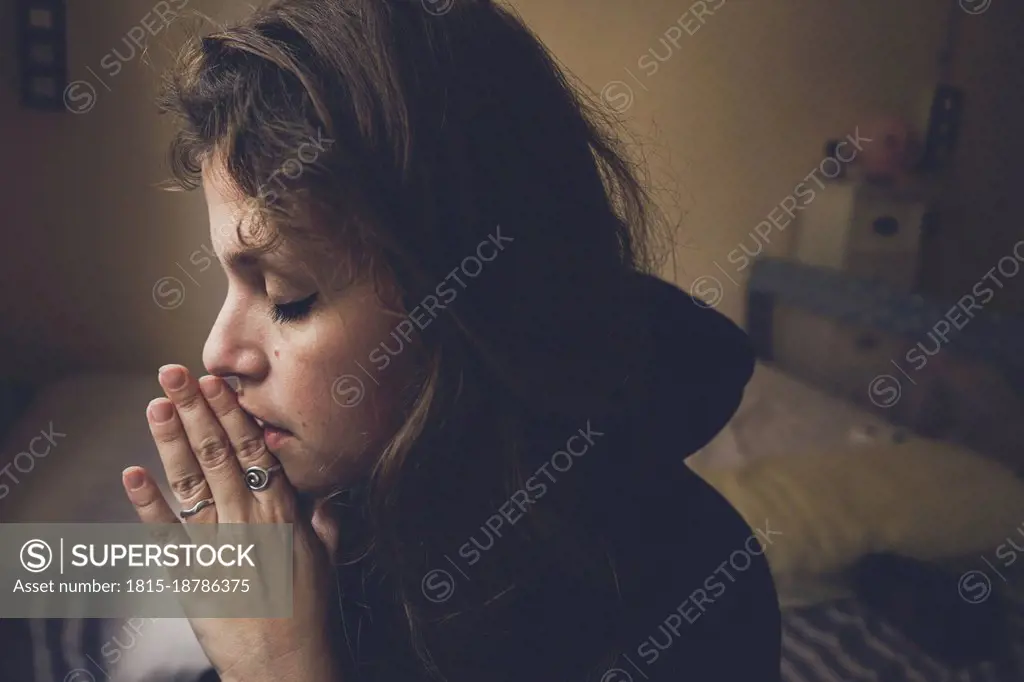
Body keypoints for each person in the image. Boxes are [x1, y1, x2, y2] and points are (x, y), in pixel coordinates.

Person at [120, 0, 781, 680]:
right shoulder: (342, 517)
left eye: (290, 297)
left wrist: (279, 666)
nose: (217, 352)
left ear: (468, 297)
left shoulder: (694, 596)